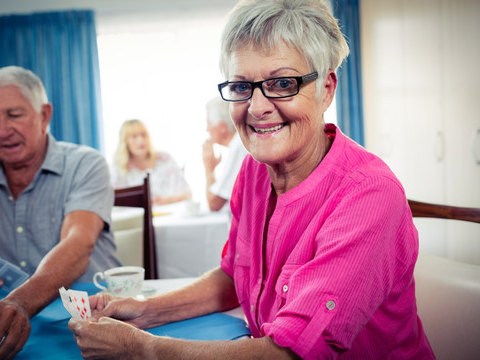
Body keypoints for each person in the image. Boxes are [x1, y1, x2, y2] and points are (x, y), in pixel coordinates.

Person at [68, 0, 435, 358]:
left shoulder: (367, 195)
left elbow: (288, 354)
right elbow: (235, 278)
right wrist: (145, 310)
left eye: (282, 84)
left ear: (326, 90)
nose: (257, 108)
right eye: (242, 87)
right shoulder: (253, 170)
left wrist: (141, 348)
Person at [0, 65, 121, 359]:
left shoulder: (86, 164)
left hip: (91, 324)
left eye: (14, 114)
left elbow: (77, 245)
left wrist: (19, 303)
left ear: (45, 115)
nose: (2, 130)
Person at [111, 119, 191, 206]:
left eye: (143, 135)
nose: (141, 140)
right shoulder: (118, 167)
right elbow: (114, 202)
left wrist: (167, 200)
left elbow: (187, 194)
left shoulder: (165, 159)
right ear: (125, 141)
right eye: (134, 136)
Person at [202, 96, 247, 212]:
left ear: (222, 127)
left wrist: (209, 169)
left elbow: (214, 203)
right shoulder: (239, 144)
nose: (207, 129)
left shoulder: (238, 146)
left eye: (209, 123)